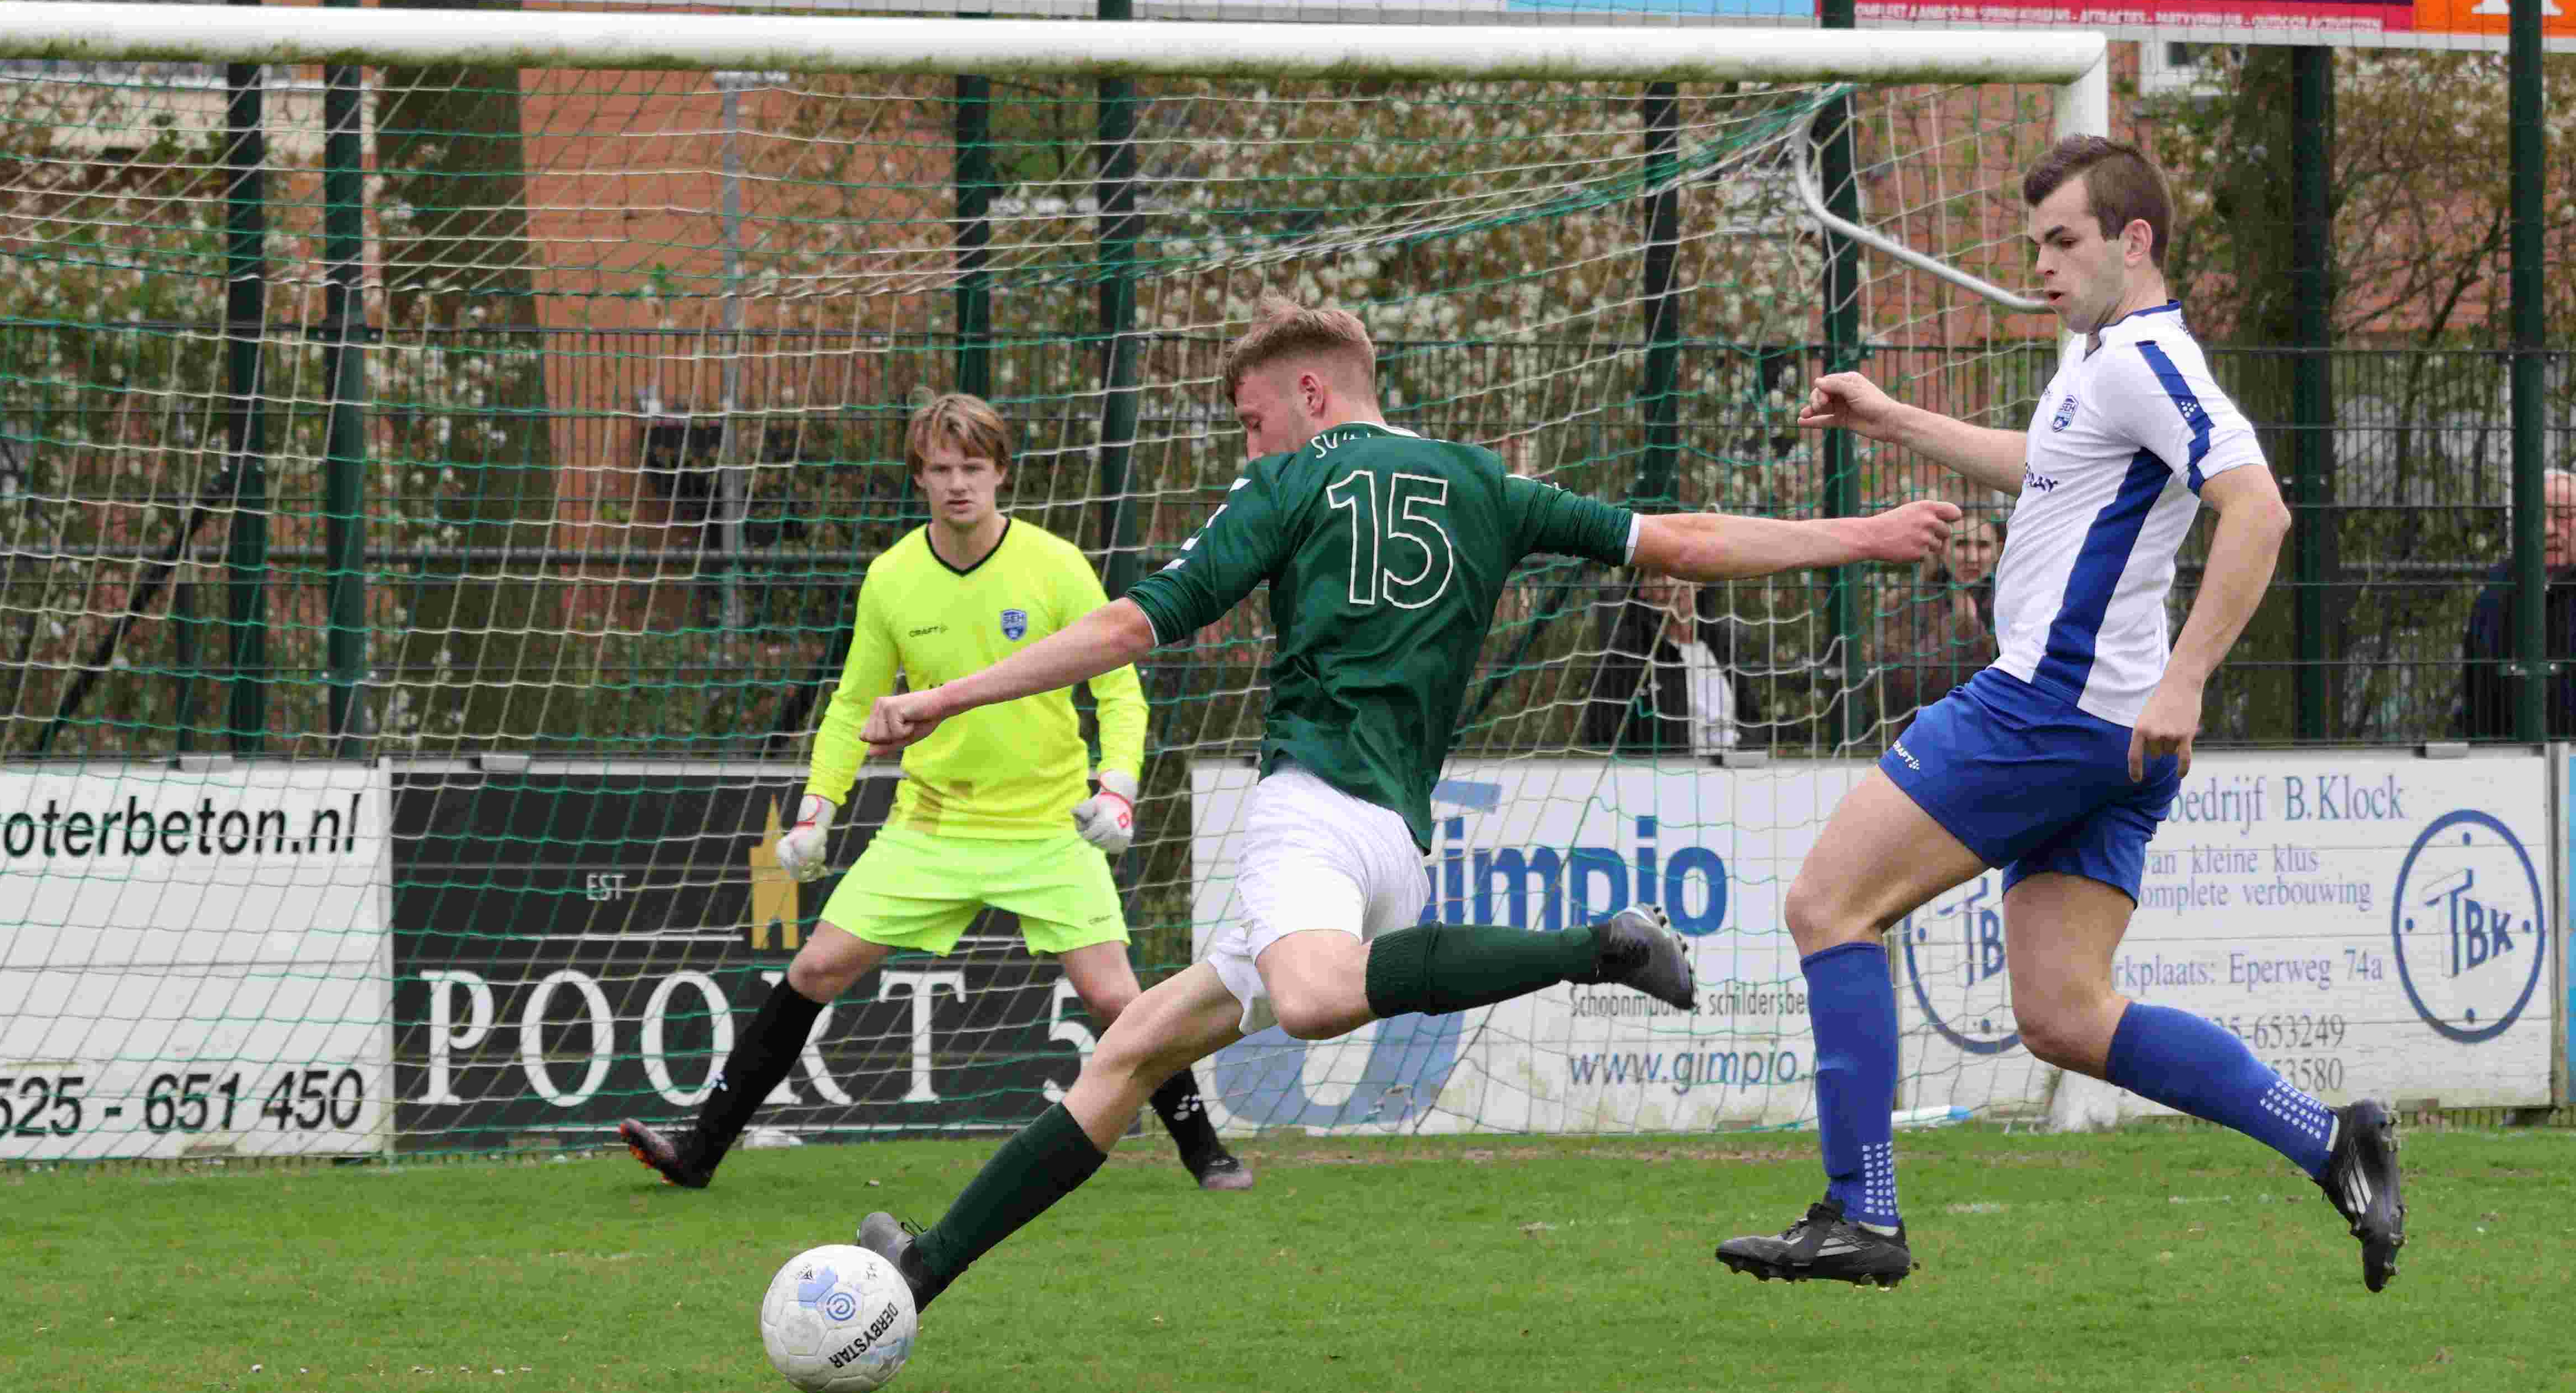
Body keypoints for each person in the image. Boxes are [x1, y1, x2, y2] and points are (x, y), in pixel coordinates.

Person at [840, 296, 1960, 1312]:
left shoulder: (1289, 479)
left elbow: (1134, 624)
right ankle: (921, 1266)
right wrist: (1860, 535)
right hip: (1390, 843)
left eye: (1250, 417)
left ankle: (1594, 945)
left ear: (1310, 394)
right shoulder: (1485, 482)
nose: (1249, 443)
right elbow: (1684, 541)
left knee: (1316, 997)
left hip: (1311, 810)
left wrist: (946, 693)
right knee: (1128, 1050)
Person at [1713, 133, 2404, 1294]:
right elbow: (2043, 462)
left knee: (1827, 901)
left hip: (2050, 709)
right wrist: (1895, 421)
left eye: (2062, 240)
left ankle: (1858, 1210)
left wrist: (2186, 677)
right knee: (2064, 1012)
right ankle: (2330, 1139)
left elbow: (2257, 510)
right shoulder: (2098, 361)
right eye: (2033, 241)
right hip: (2108, 735)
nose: (2038, 263)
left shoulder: (2145, 358)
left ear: (2131, 242)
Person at [617, 393, 1251, 1195]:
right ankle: (698, 1151)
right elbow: (852, 705)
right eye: (941, 469)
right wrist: (818, 810)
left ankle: (1206, 1151)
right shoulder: (891, 578)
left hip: (1047, 826)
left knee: (1114, 995)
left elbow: (1119, 692)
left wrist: (1118, 786)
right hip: (932, 825)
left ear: (1001, 473)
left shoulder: (1055, 564)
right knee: (815, 967)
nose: (958, 484)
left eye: (973, 468)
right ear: (919, 477)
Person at [1582, 571, 1765, 757]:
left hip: (1731, 776)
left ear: (1700, 583)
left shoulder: (1723, 646)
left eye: (1678, 572)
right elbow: (1602, 734)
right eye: (1657, 575)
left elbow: (1753, 722)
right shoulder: (1626, 654)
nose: (1670, 583)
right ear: (1642, 590)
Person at [2456, 468, 2576, 741]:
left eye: (2562, 516)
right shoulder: (2495, 592)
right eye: (2535, 517)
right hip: (2508, 760)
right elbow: (2477, 694)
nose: (2547, 530)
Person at [1871, 507, 2003, 722]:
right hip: (1923, 730)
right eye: (1961, 545)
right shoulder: (1902, 603)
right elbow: (1897, 690)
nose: (1972, 558)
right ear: (1941, 549)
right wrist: (1961, 625)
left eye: (1983, 546)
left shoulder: (2013, 602)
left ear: (1998, 551)